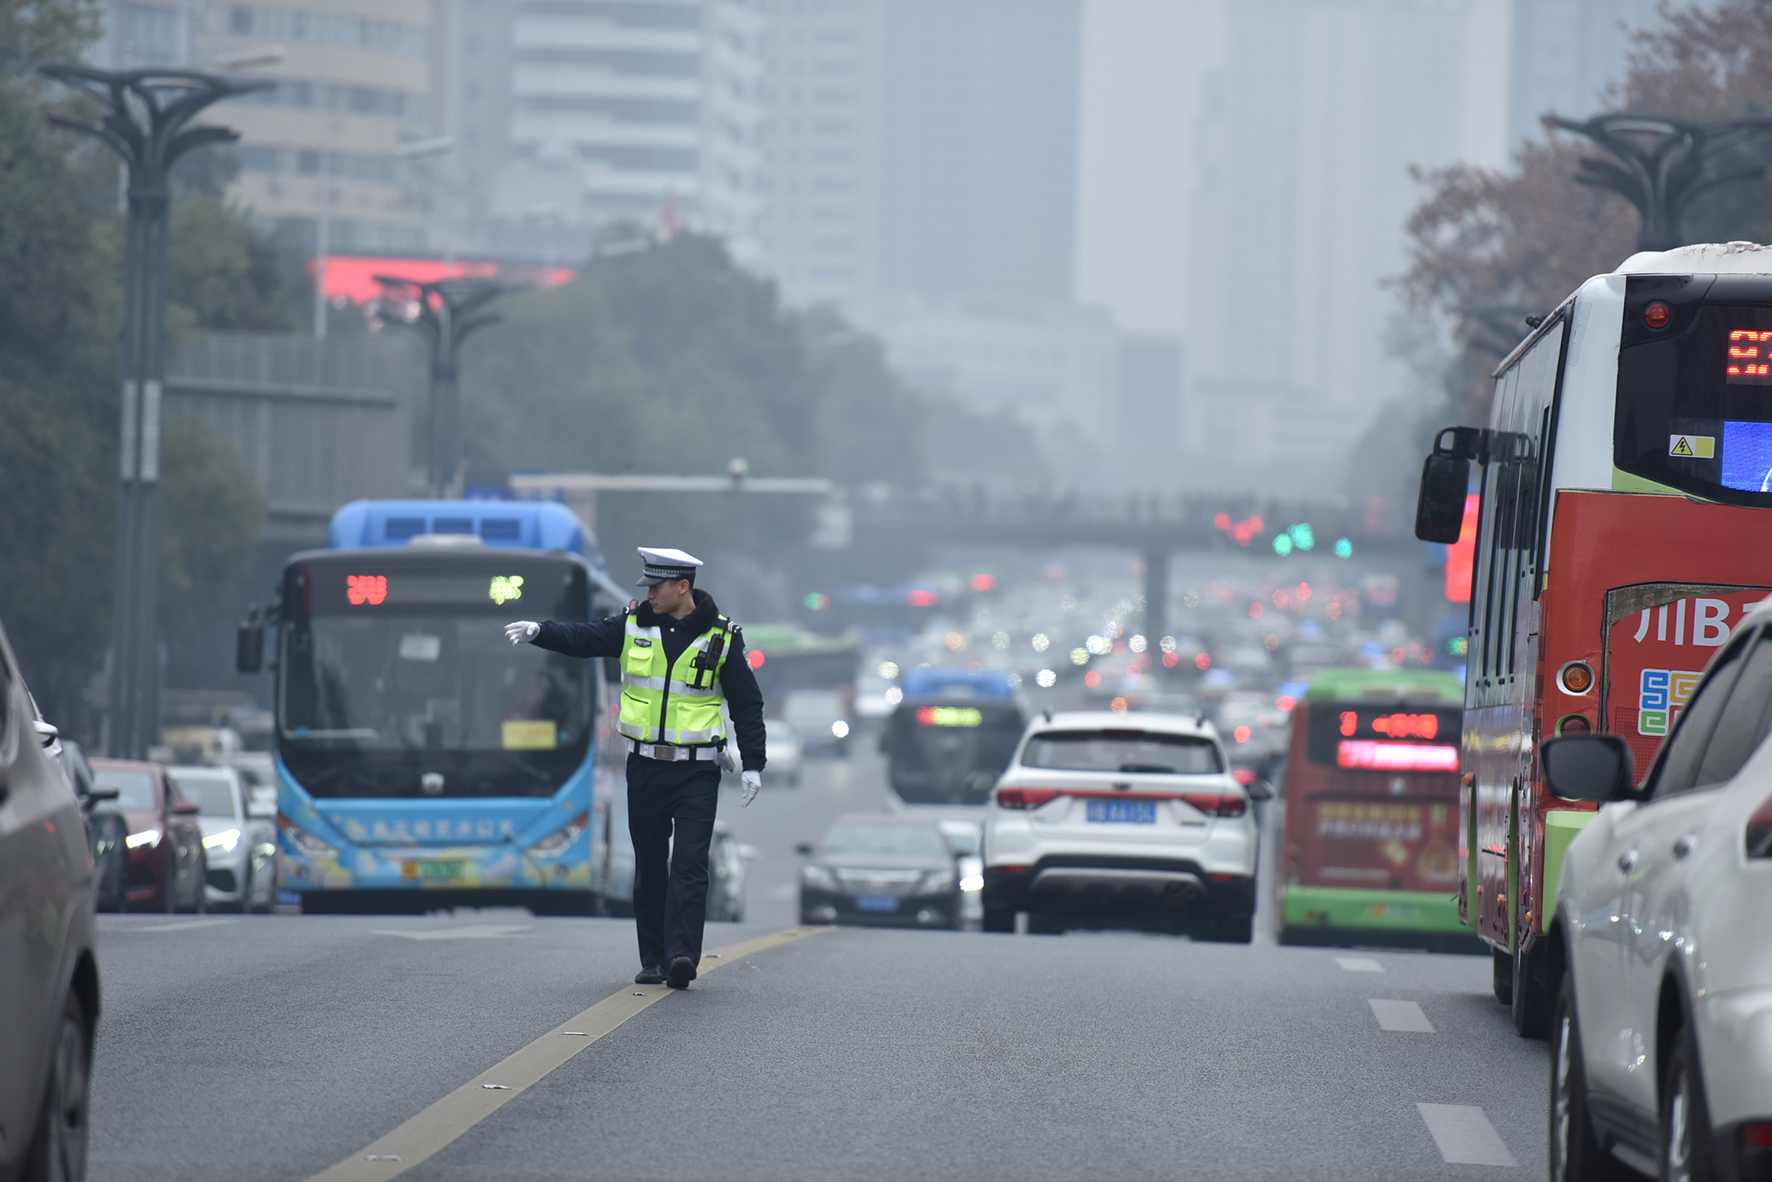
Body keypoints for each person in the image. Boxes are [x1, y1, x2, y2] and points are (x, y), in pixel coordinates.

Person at [504, 547, 765, 990]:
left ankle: (682, 956)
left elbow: (747, 704)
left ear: (683, 586)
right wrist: (540, 632)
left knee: (689, 864)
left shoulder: (722, 638)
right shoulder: (631, 626)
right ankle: (654, 959)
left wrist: (753, 764)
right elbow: (583, 638)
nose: (650, 594)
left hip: (697, 771)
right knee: (650, 866)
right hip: (644, 768)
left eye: (657, 587)